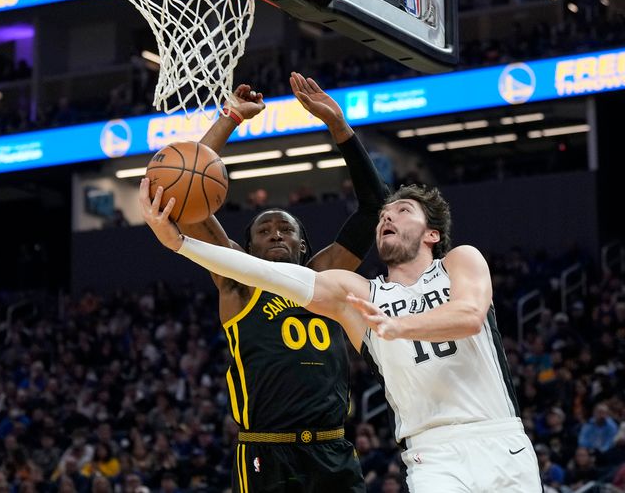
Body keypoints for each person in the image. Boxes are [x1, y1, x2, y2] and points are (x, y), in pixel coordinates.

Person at [140, 183, 541, 492]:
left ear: (432, 233)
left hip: (499, 436)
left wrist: (400, 326)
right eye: (384, 214)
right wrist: (180, 243)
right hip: (430, 451)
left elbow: (470, 316)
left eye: (402, 210)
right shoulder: (363, 292)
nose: (387, 217)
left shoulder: (460, 260)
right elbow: (268, 273)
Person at [166, 73, 389, 493]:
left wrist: (340, 128)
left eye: (285, 230)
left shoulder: (326, 278)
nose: (275, 235)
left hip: (332, 448)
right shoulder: (239, 284)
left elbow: (376, 206)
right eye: (264, 231)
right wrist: (229, 119)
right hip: (266, 452)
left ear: (304, 246)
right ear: (245, 250)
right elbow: (185, 194)